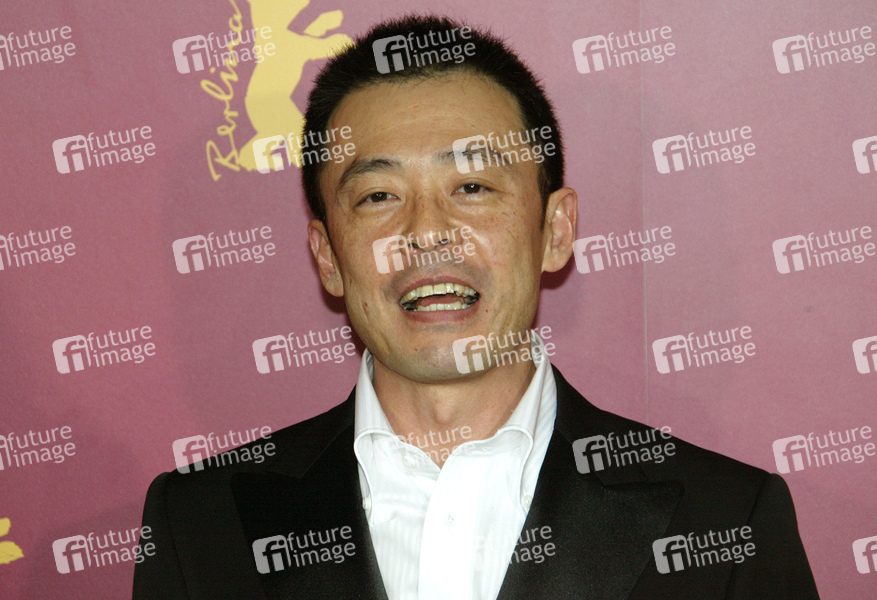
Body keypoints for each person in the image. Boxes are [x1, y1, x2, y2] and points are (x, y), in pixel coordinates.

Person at [134, 15, 820, 599]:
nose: (427, 233)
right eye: (378, 196)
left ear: (555, 231)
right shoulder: (200, 524)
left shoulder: (724, 523)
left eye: (471, 187)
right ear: (327, 256)